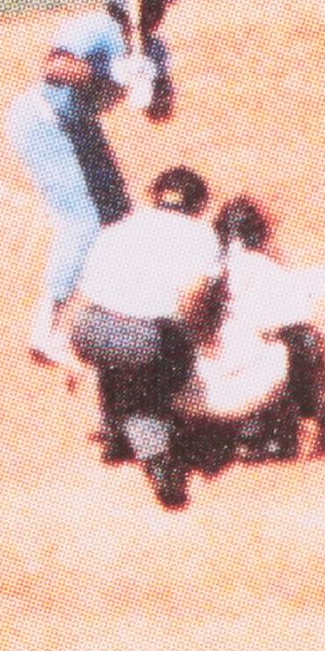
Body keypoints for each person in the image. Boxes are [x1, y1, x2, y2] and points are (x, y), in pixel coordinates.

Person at [5, 0, 175, 366]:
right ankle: (45, 331)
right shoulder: (95, 29)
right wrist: (108, 71)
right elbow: (54, 67)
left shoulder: (154, 49)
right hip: (44, 125)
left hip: (81, 127)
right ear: (148, 5)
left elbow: (163, 112)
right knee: (82, 221)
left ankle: (118, 305)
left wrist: (148, 87)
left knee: (117, 214)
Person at [68, 165, 226, 510]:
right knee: (149, 384)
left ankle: (113, 432)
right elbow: (195, 296)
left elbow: (86, 296)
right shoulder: (201, 235)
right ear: (199, 204)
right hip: (141, 339)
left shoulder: (117, 229)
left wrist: (75, 359)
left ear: (154, 197)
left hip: (87, 329)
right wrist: (193, 338)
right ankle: (159, 461)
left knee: (119, 359)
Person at [179, 194, 325, 463]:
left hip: (190, 397)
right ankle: (289, 431)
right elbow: (297, 316)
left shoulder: (192, 271)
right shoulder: (257, 266)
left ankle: (213, 436)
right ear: (257, 233)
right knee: (303, 340)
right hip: (241, 396)